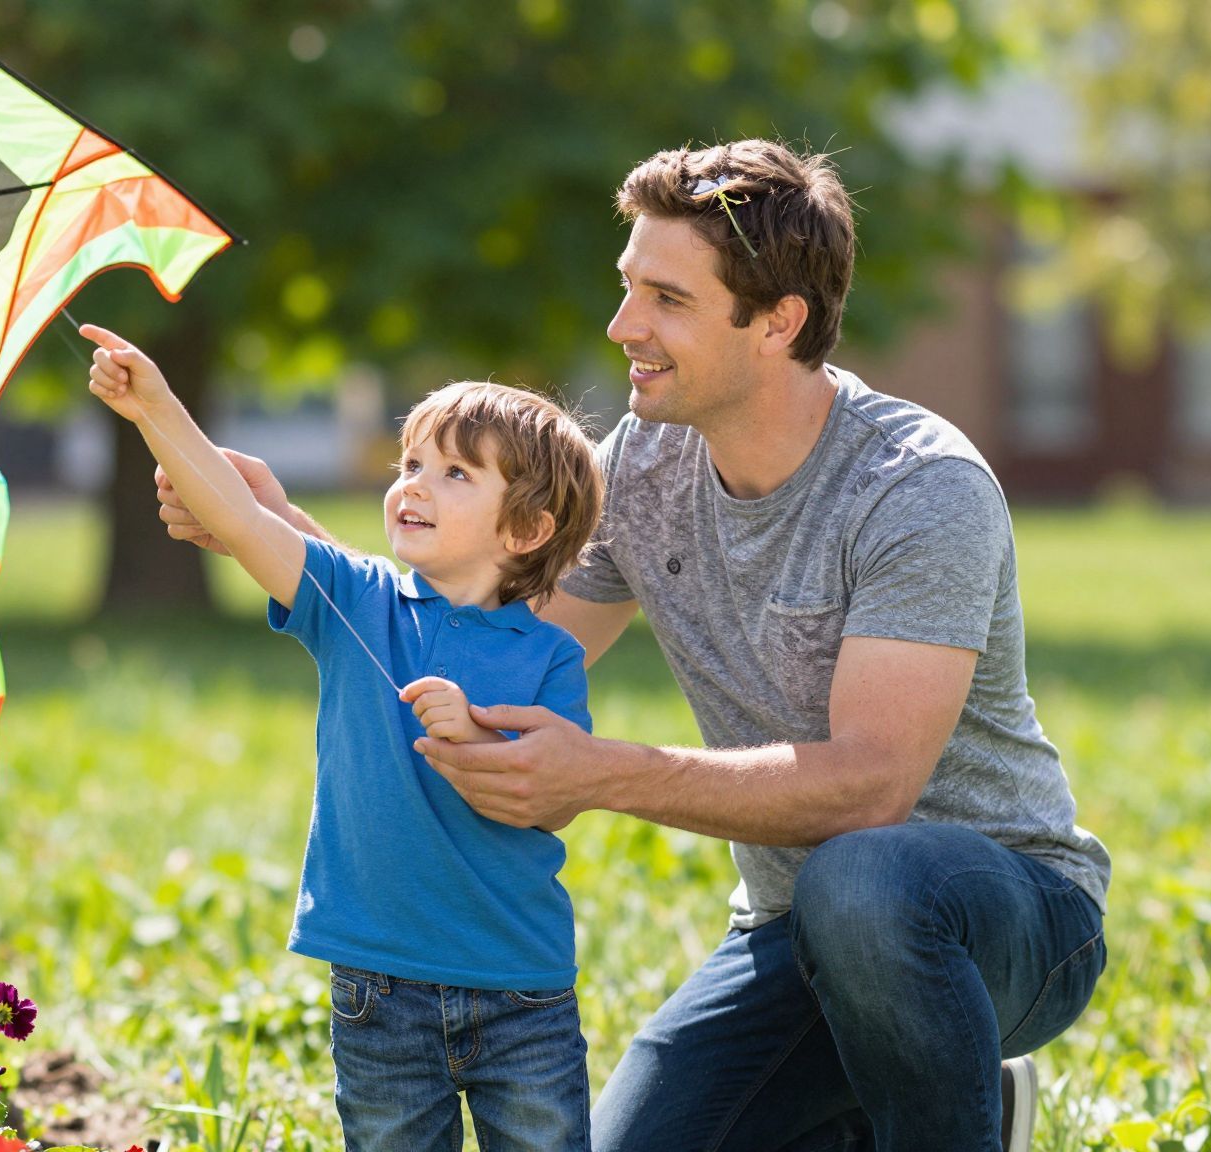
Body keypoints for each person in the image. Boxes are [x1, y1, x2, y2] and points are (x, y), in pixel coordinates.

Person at [156, 139, 1110, 1152]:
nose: (622, 328)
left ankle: (947, 1096)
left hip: (999, 916)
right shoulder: (646, 463)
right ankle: (908, 1101)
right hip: (789, 935)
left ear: (777, 322)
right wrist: (273, 530)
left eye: (666, 299)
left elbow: (869, 789)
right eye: (627, 289)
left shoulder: (915, 489)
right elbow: (487, 641)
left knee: (863, 881)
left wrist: (598, 774)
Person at [84, 324, 604, 1152]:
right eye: (410, 465)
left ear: (526, 530)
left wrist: (469, 733)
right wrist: (156, 409)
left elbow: (554, 803)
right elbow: (243, 523)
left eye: (454, 473)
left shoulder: (551, 656)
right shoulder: (354, 596)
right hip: (379, 985)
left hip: (521, 992)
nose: (414, 487)